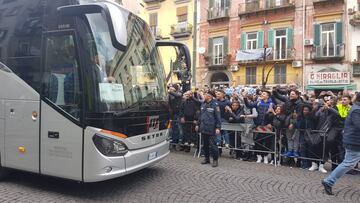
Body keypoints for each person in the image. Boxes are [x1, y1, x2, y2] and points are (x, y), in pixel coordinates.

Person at [322, 93, 360, 195]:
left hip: (353, 140)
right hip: (354, 142)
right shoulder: (356, 110)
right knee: (348, 163)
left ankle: (329, 181)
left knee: (348, 163)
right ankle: (329, 181)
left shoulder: (355, 108)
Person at [195, 90, 221, 167]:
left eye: (205, 95)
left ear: (209, 96)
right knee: (205, 145)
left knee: (213, 145)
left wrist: (218, 127)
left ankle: (215, 160)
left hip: (211, 128)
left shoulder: (215, 104)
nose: (204, 96)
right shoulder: (203, 103)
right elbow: (201, 116)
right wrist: (197, 124)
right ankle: (207, 158)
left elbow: (218, 117)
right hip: (203, 127)